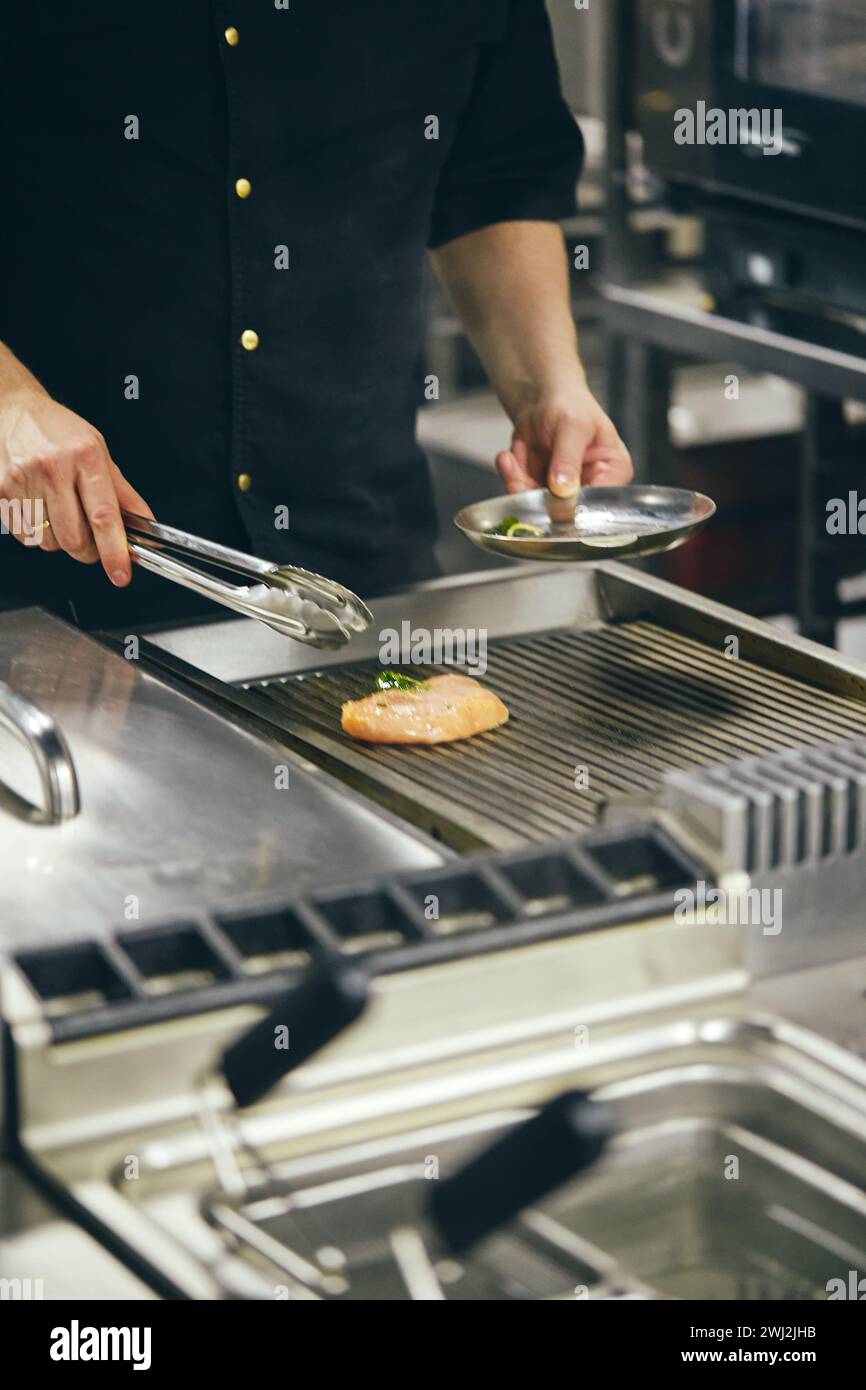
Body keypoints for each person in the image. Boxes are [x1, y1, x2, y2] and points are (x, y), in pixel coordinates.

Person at [0, 1, 631, 629]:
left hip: (356, 573)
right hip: (50, 570)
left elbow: (498, 182)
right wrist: (12, 405)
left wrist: (548, 386)